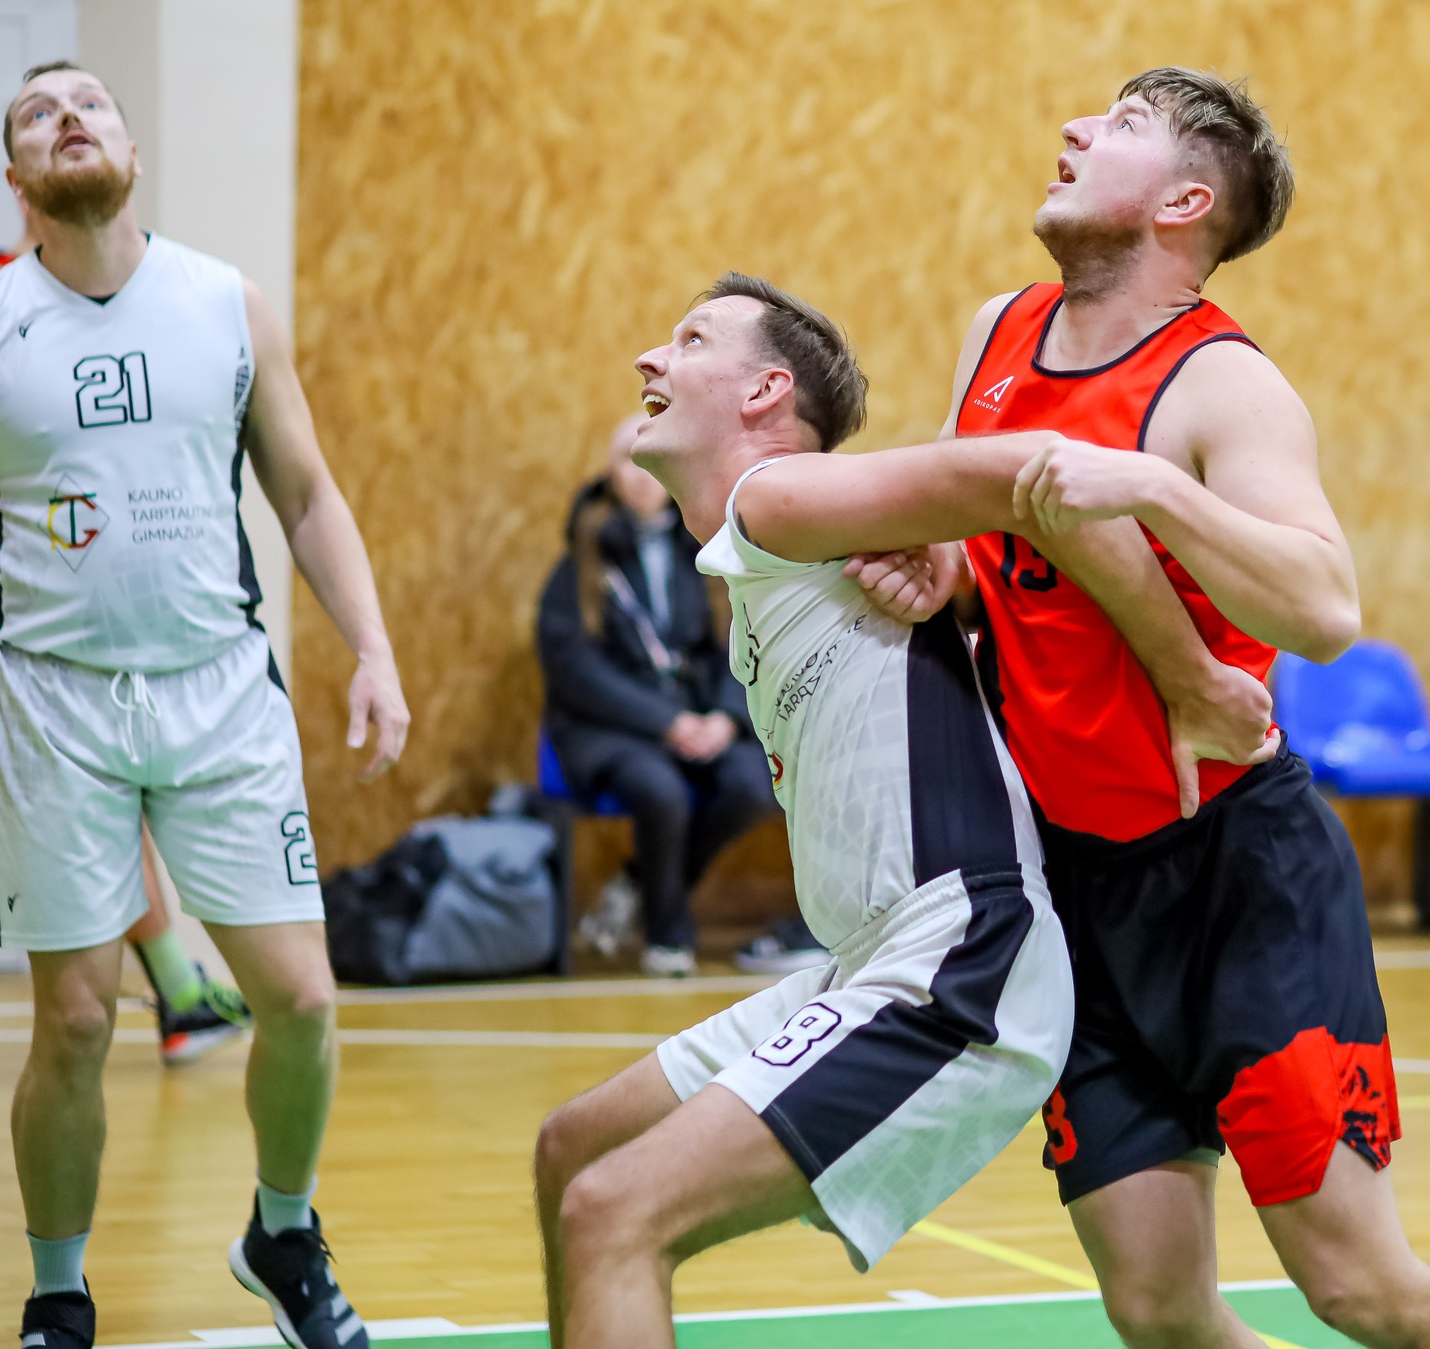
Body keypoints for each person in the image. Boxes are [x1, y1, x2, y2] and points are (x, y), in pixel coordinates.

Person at [530, 273, 1274, 1348]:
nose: (650, 358)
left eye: (689, 340)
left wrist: (1190, 675)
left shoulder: (777, 497)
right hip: (868, 959)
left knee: (612, 1210)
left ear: (764, 393)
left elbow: (1032, 468)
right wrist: (949, 554)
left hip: (957, 961)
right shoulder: (770, 550)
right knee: (574, 1152)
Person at [913, 69, 1430, 1348]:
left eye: (1121, 125)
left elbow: (1325, 607)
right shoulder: (995, 333)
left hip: (1236, 879)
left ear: (1185, 203)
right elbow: (987, 562)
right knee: (1158, 1313)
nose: (1075, 128)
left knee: (1360, 1290)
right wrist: (930, 572)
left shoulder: (1222, 385)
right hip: (1072, 893)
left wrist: (1149, 485)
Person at [0, 63, 410, 1349]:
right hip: (57, 708)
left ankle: (282, 1233)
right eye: (39, 115)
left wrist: (372, 648)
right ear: (17, 178)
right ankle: (57, 1295)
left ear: (132, 152)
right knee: (76, 1020)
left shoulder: (224, 303)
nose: (68, 118)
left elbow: (305, 495)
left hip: (220, 695)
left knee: (300, 1002)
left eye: (89, 104)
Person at [0, 240, 252, 1066]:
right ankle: (181, 991)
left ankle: (181, 992)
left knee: (109, 783)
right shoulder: (0, 296)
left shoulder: (128, 295)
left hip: (27, 595)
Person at [538, 416, 794, 977]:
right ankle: (666, 934)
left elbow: (736, 640)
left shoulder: (702, 550)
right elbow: (575, 669)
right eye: (628, 462)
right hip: (614, 731)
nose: (642, 476)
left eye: (654, 463)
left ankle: (638, 884)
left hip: (699, 719)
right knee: (661, 791)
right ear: (609, 473)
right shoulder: (581, 560)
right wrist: (664, 722)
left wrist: (725, 718)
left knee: (753, 785)